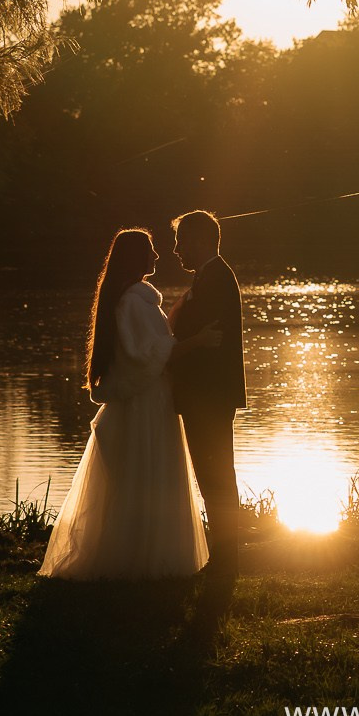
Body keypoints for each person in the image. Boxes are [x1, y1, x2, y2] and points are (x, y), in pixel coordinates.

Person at [38, 228, 219, 581]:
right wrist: (198, 341)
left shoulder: (132, 301)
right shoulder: (135, 302)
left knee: (138, 479)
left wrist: (175, 317)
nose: (157, 256)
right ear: (136, 257)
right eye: (150, 250)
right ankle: (145, 560)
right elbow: (152, 355)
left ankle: (141, 557)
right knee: (149, 478)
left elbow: (150, 345)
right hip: (147, 403)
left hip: (145, 399)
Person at [168, 209, 245, 571]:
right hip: (206, 394)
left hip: (209, 395)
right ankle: (224, 554)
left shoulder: (216, 279)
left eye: (180, 242)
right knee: (211, 474)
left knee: (216, 474)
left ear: (199, 241)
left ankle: (227, 557)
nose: (176, 250)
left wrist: (166, 348)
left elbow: (202, 337)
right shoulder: (208, 277)